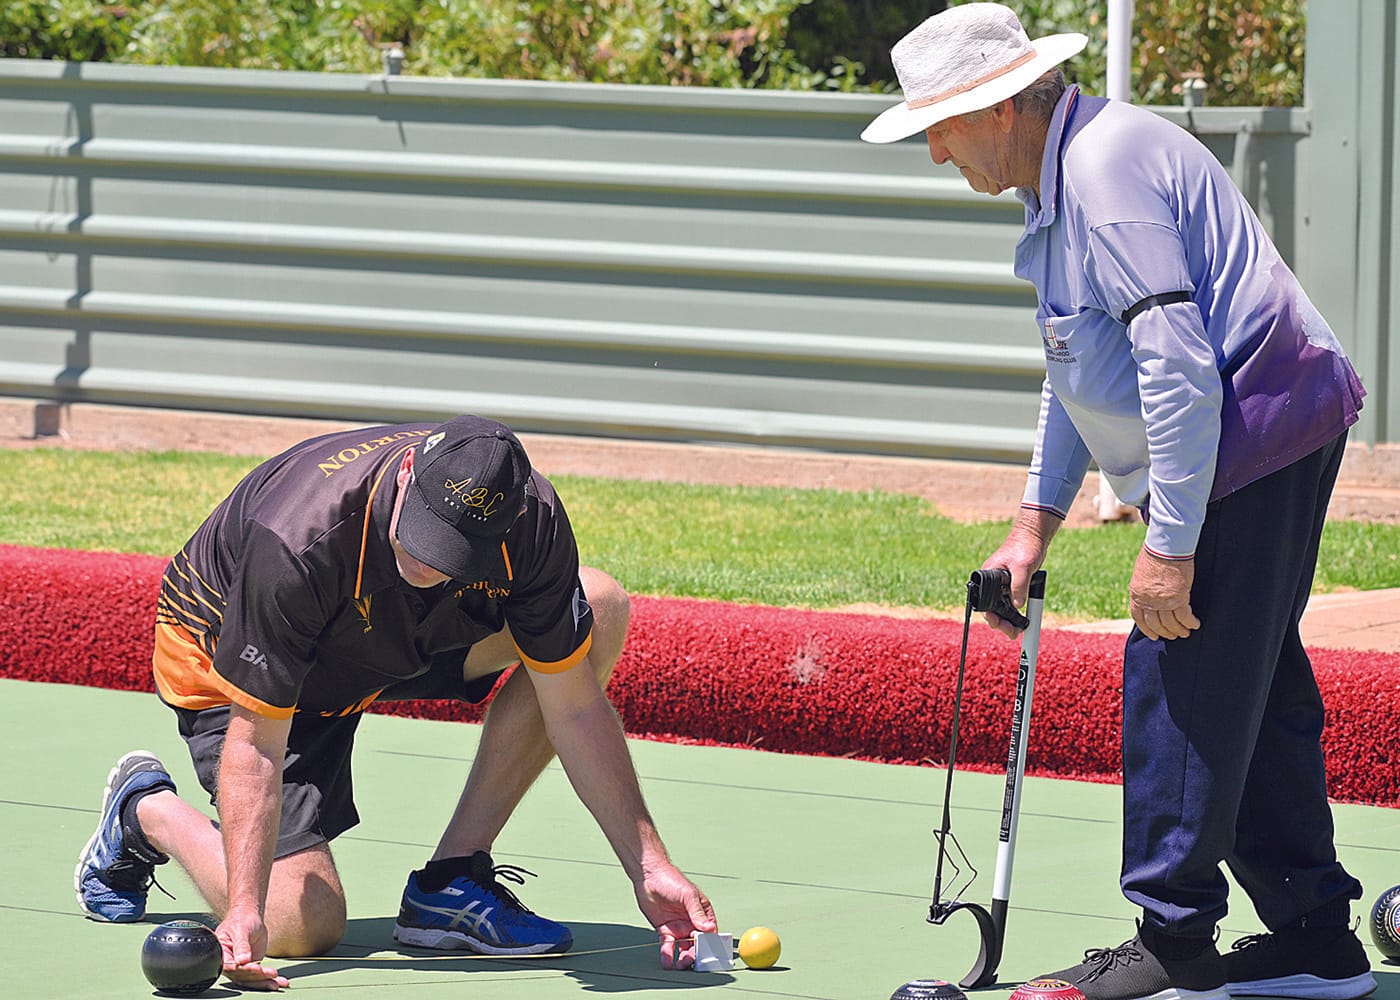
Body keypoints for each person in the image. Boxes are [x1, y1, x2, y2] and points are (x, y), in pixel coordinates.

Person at [862, 6, 1374, 1000]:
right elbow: (1077, 366)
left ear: (1003, 106)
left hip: (1252, 431)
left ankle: (1173, 942)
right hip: (1247, 434)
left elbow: (1176, 367)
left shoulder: (1100, 178)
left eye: (941, 124)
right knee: (1251, 684)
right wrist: (1029, 526)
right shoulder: (1058, 178)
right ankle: (1313, 936)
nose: (932, 151)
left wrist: (1170, 547)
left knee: (1177, 666)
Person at [74, 414, 716, 990]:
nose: (429, 563)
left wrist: (648, 865)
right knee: (302, 923)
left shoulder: (532, 518)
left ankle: (450, 879)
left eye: (454, 554)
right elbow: (258, 745)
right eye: (422, 537)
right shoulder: (299, 537)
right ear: (408, 471)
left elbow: (573, 707)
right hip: (230, 657)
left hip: (377, 635)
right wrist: (245, 909)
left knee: (593, 606)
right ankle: (144, 811)